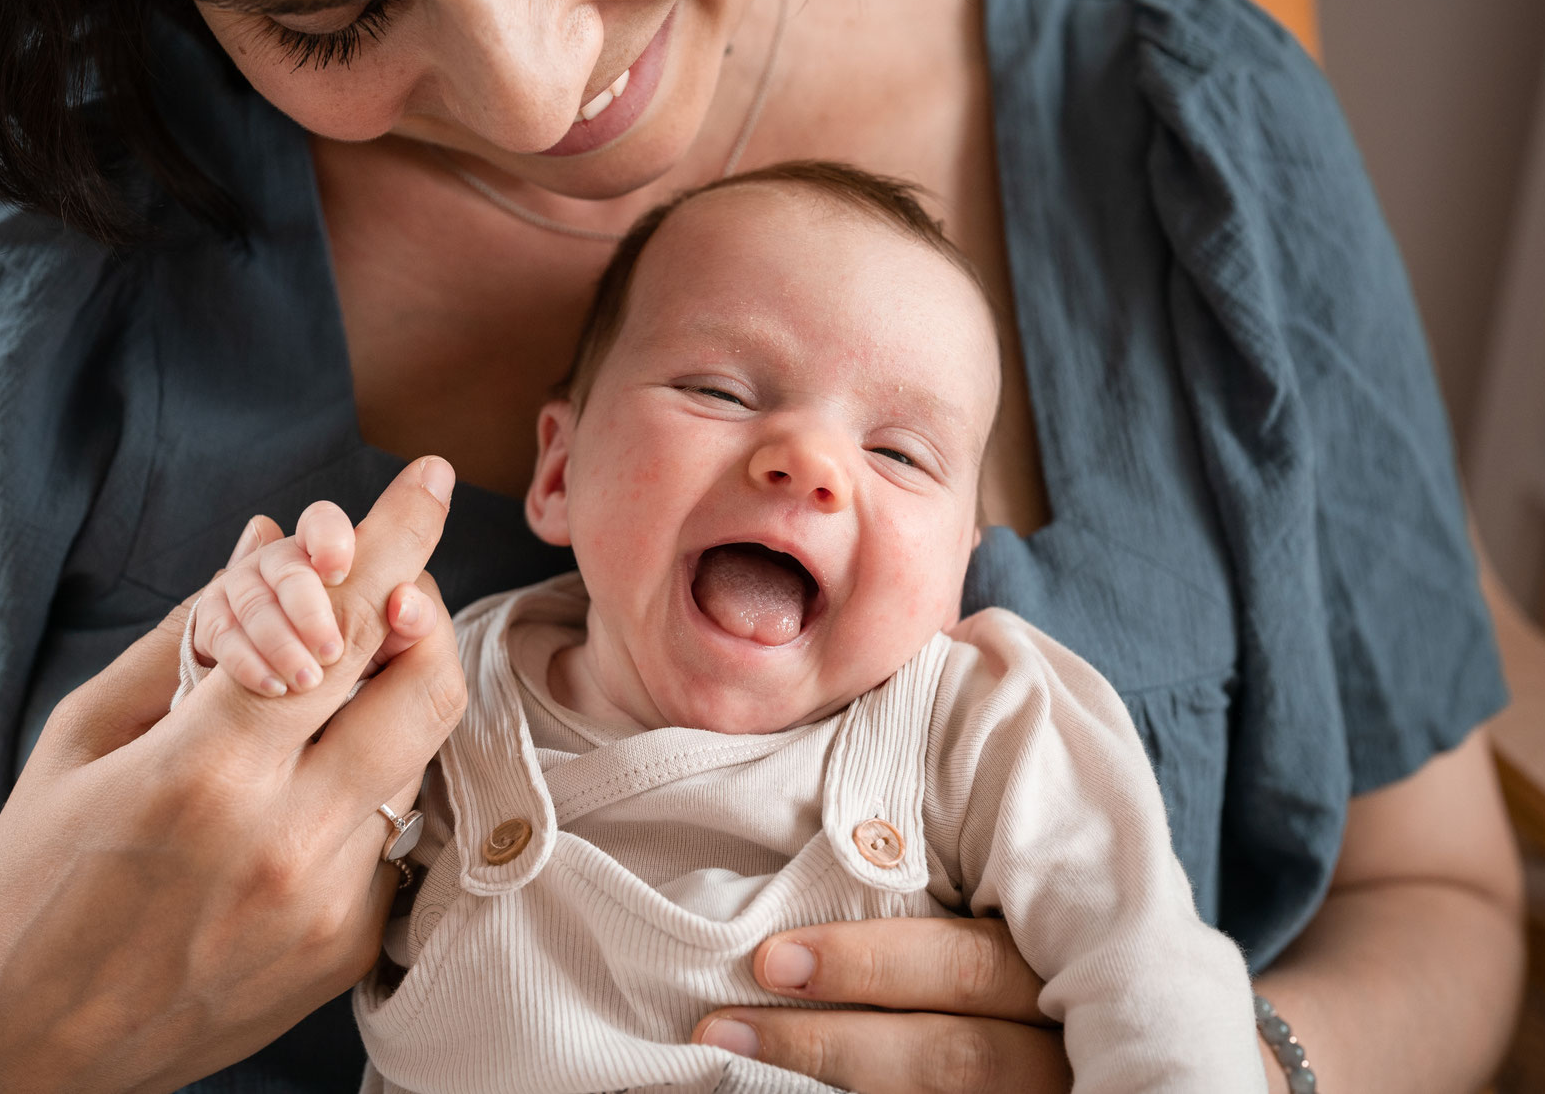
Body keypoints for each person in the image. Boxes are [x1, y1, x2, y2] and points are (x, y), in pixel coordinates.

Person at [0, 0, 1523, 1091]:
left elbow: (1436, 900)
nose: (537, 99)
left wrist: (1232, 1062)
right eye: (331, 18)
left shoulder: (1189, 139)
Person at [191, 165, 1267, 1094]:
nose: (805, 460)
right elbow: (234, 819)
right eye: (717, 390)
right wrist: (253, 647)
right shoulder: (440, 685)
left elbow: (1150, 980)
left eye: (897, 455)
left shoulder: (980, 727)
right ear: (560, 471)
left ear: (957, 573)